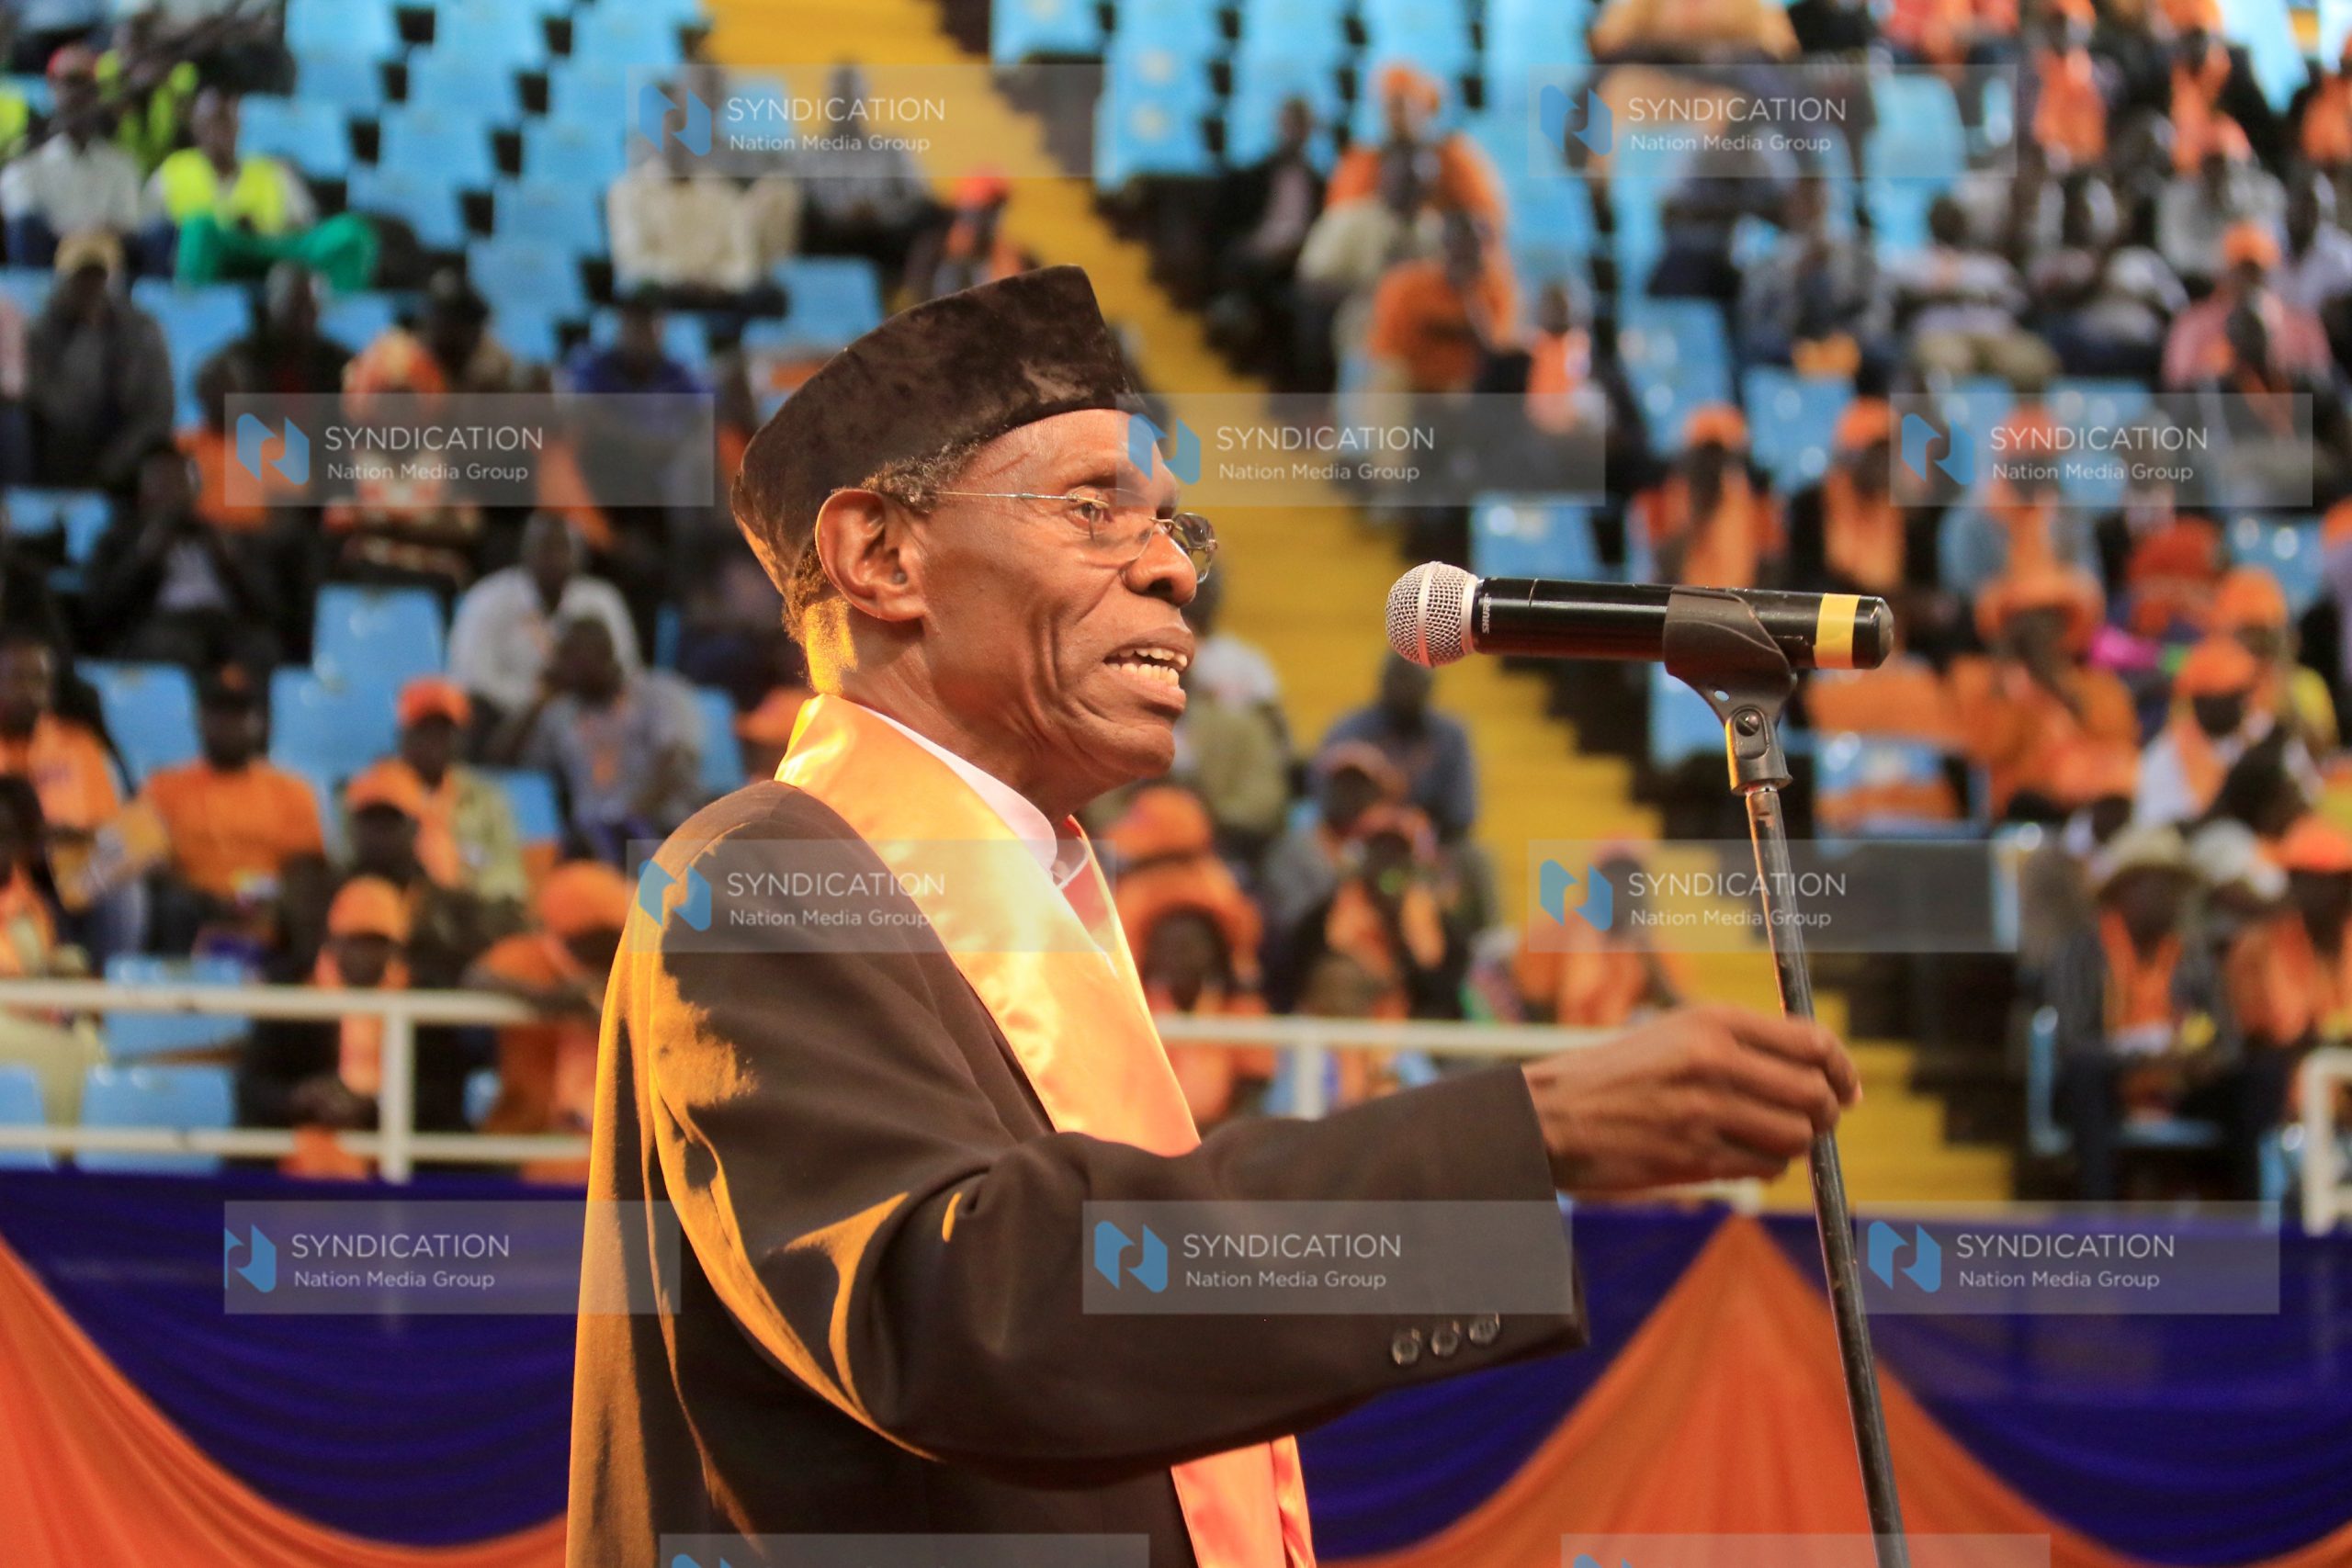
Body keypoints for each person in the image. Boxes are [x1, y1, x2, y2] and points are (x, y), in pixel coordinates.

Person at [571, 266, 1860, 1567]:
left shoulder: (1051, 895)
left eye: (1176, 528)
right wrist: (1524, 1137)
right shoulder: (757, 878)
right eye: (1093, 508)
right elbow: (967, 1308)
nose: (1174, 573)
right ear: (883, 555)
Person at [2050, 824, 2263, 1199]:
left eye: (2174, 888)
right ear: (2123, 890)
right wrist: (2141, 1058)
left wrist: (2203, 1059)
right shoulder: (2082, 952)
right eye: (2157, 885)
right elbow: (2073, 1042)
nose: (2169, 898)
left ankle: (2251, 1214)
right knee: (2084, 1075)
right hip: (2111, 1081)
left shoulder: (2193, 957)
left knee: (2257, 1078)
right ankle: (2101, 1216)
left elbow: (2228, 1040)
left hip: (2182, 1083)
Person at [489, 614, 706, 859]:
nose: (561, 663)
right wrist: (539, 699)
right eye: (560, 655)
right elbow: (500, 760)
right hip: (591, 839)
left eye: (571, 654)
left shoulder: (656, 692)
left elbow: (674, 768)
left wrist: (627, 819)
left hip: (660, 827)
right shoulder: (560, 713)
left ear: (604, 654)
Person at [466, 858, 630, 1179]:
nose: (603, 945)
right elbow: (475, 978)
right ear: (560, 933)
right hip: (530, 1137)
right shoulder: (528, 961)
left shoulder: (638, 964)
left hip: (619, 1142)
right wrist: (548, 1000)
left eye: (611, 934)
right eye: (592, 936)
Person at [136, 671, 323, 942]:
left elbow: (307, 867)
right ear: (199, 719)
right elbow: (149, 862)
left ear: (260, 722)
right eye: (218, 714)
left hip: (266, 907)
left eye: (239, 715)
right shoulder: (162, 788)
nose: (228, 725)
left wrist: (270, 900)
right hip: (193, 907)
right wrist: (210, 900)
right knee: (168, 906)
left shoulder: (293, 791)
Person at [145, 86, 376, 288]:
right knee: (199, 228)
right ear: (196, 126)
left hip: (271, 252)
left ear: (239, 126)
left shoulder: (271, 170)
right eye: (215, 121)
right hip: (214, 255)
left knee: (351, 234)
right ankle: (194, 309)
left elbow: (305, 227)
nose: (221, 132)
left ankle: (334, 323)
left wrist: (261, 229)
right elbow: (147, 234)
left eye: (229, 121)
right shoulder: (171, 171)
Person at [82, 443, 284, 671]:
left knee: (260, 648)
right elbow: (102, 610)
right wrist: (146, 555)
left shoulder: (229, 537)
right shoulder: (118, 540)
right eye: (164, 484)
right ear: (143, 494)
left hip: (224, 625)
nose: (175, 493)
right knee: (173, 649)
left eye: (182, 482)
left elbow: (268, 607)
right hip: (160, 626)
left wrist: (229, 559)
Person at [448, 513, 643, 720]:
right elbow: (472, 680)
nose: (555, 559)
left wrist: (578, 691)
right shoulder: (487, 598)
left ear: (580, 557)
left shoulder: (602, 600)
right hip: (506, 719)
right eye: (546, 548)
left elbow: (627, 669)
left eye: (563, 548)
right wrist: (540, 698)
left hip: (587, 719)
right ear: (525, 553)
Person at [26, 231, 174, 493]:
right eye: (82, 276)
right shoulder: (44, 331)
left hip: (130, 442)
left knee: (157, 459)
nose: (92, 285)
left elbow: (158, 408)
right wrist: (88, 335)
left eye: (100, 275)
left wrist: (121, 456)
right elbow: (55, 404)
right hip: (70, 443)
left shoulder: (143, 328)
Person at [376, 676, 530, 907]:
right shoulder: (377, 794)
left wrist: (472, 905)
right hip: (403, 910)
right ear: (403, 734)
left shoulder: (487, 797)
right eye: (425, 730)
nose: (435, 741)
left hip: (474, 913)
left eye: (445, 731)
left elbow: (508, 874)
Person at [2137, 634, 2316, 828]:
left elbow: (2308, 796)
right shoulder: (2166, 752)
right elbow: (2159, 824)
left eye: (2240, 694)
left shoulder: (2269, 736)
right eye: (2229, 697)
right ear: (2197, 701)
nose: (2242, 705)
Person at [0, 48, 144, 267]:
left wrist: (84, 244)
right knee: (26, 229)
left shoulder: (121, 164)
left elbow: (127, 225)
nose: (77, 96)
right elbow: (22, 221)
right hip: (47, 261)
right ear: (52, 89)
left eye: (87, 88)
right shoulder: (25, 163)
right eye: (69, 84)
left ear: (98, 95)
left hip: (102, 265)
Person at [1321, 654, 1479, 842]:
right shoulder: (1350, 730)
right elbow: (1325, 801)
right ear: (1382, 682)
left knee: (1474, 858)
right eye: (1400, 678)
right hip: (1356, 838)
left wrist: (1415, 826)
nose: (1406, 688)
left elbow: (1460, 815)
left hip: (1431, 840)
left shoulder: (1450, 736)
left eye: (1413, 680)